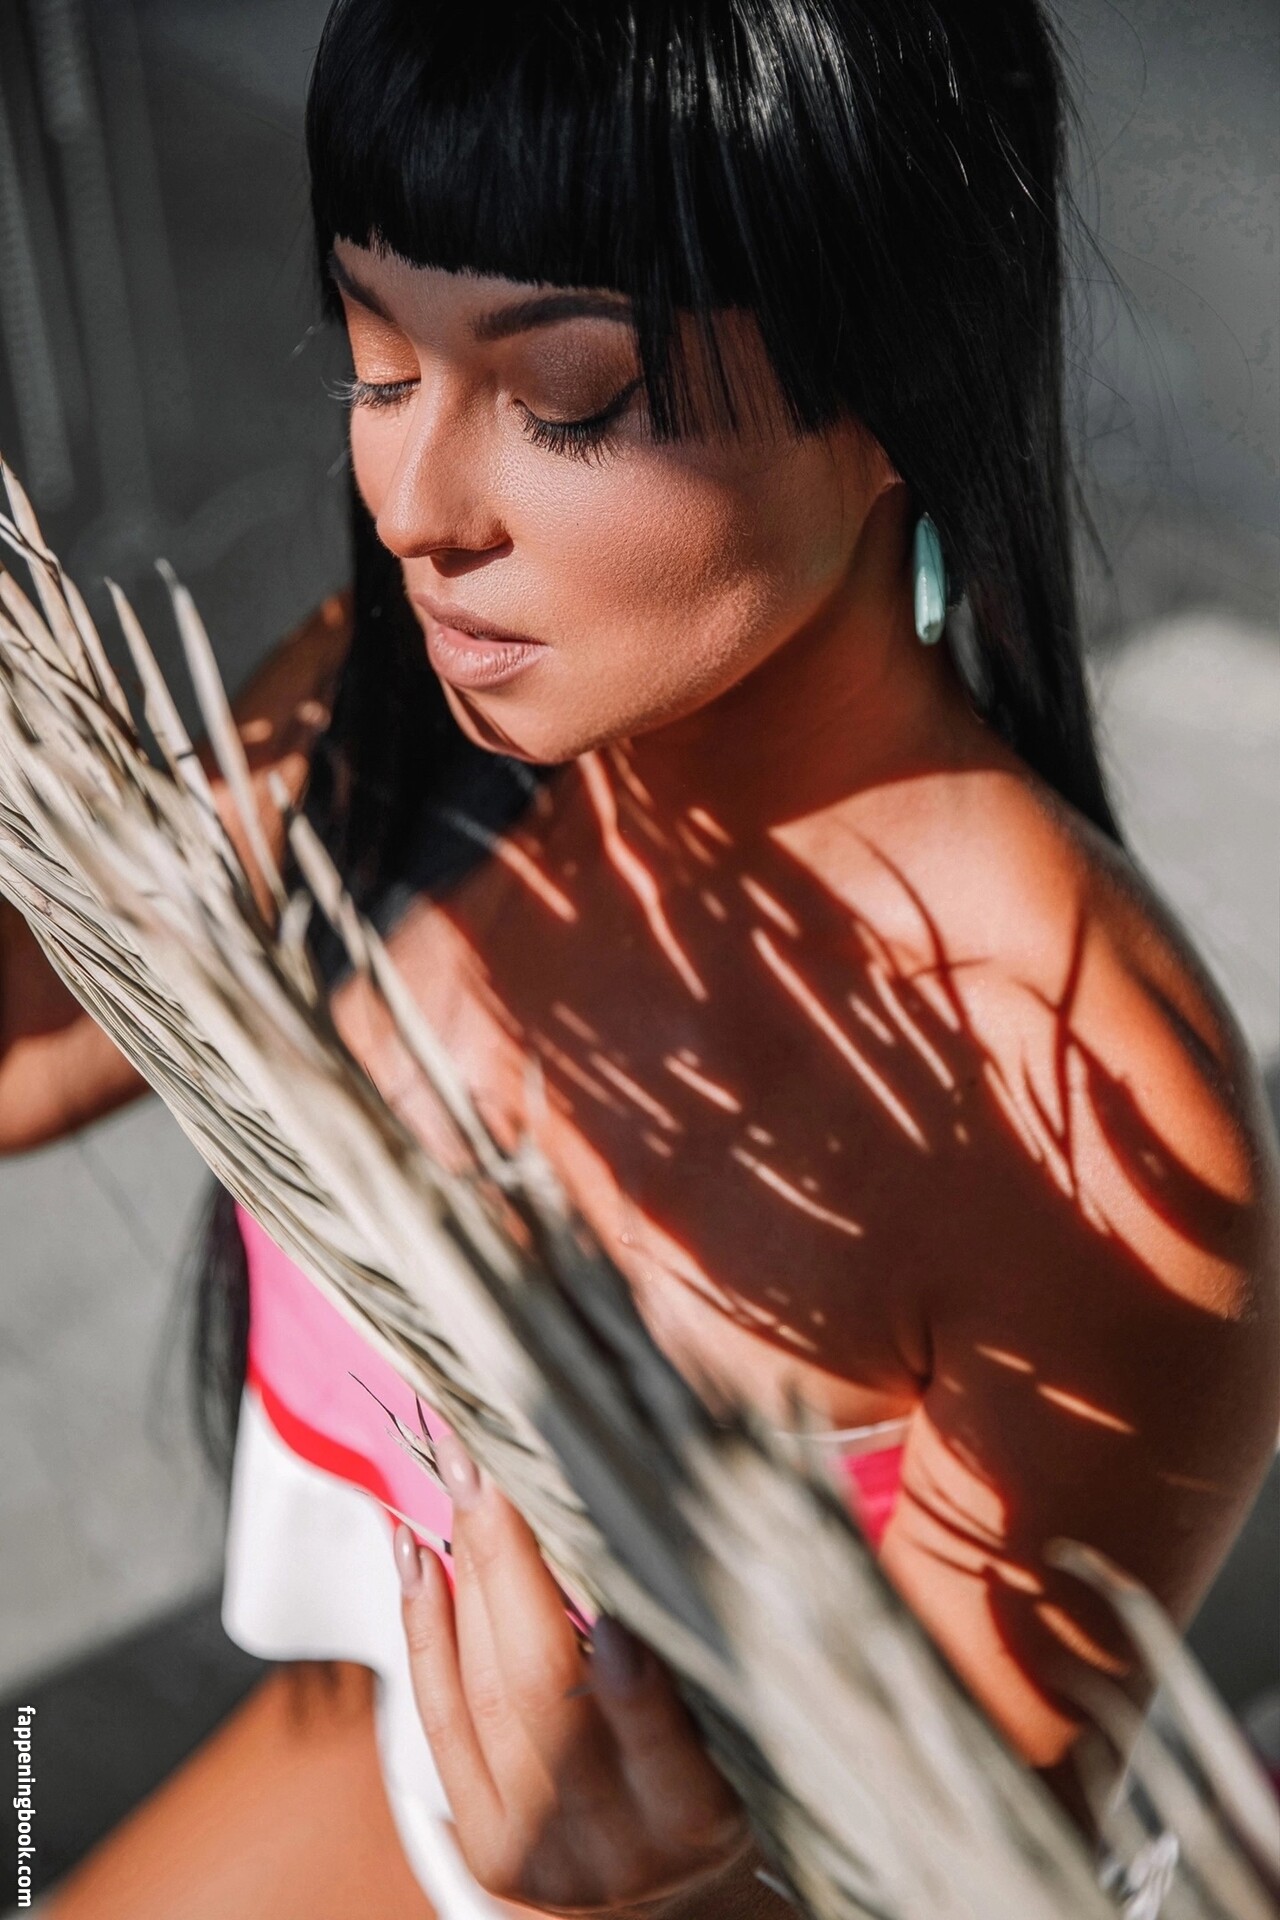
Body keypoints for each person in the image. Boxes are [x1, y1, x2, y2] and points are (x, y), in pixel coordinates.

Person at [9, 1, 1275, 1914]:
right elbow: (27, 1049)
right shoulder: (402, 716)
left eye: (572, 396)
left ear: (899, 369)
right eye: (373, 359)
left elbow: (938, 1882)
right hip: (370, 1757)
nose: (415, 509)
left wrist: (661, 1895)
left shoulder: (1086, 1139)